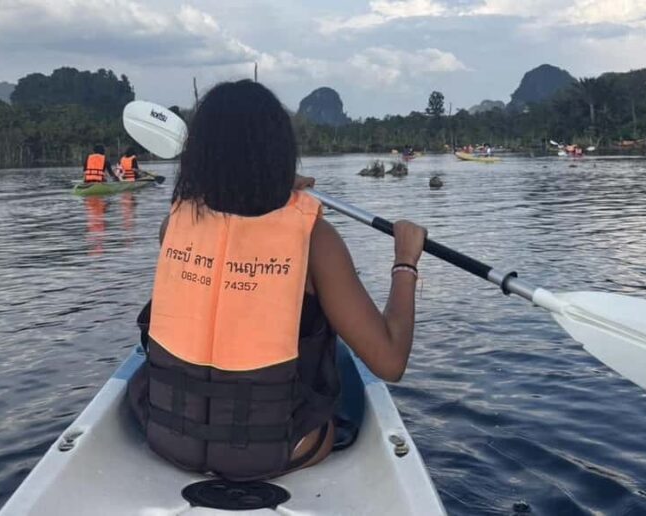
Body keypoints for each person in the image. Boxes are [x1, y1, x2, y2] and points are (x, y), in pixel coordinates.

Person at [128, 80, 426, 481]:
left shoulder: (173, 227)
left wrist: (266, 189)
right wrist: (405, 262)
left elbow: (224, 215)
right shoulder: (313, 240)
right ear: (280, 152)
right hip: (281, 452)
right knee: (341, 364)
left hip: (168, 439)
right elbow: (390, 362)